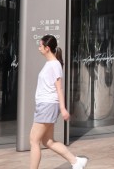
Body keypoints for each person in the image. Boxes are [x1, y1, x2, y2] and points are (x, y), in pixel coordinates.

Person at [30, 35, 88, 169]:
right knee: (48, 141)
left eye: (40, 46)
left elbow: (59, 88)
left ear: (47, 48)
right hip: (45, 105)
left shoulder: (54, 65)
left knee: (34, 141)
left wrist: (63, 108)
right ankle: (76, 162)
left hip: (47, 106)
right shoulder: (50, 64)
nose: (39, 48)